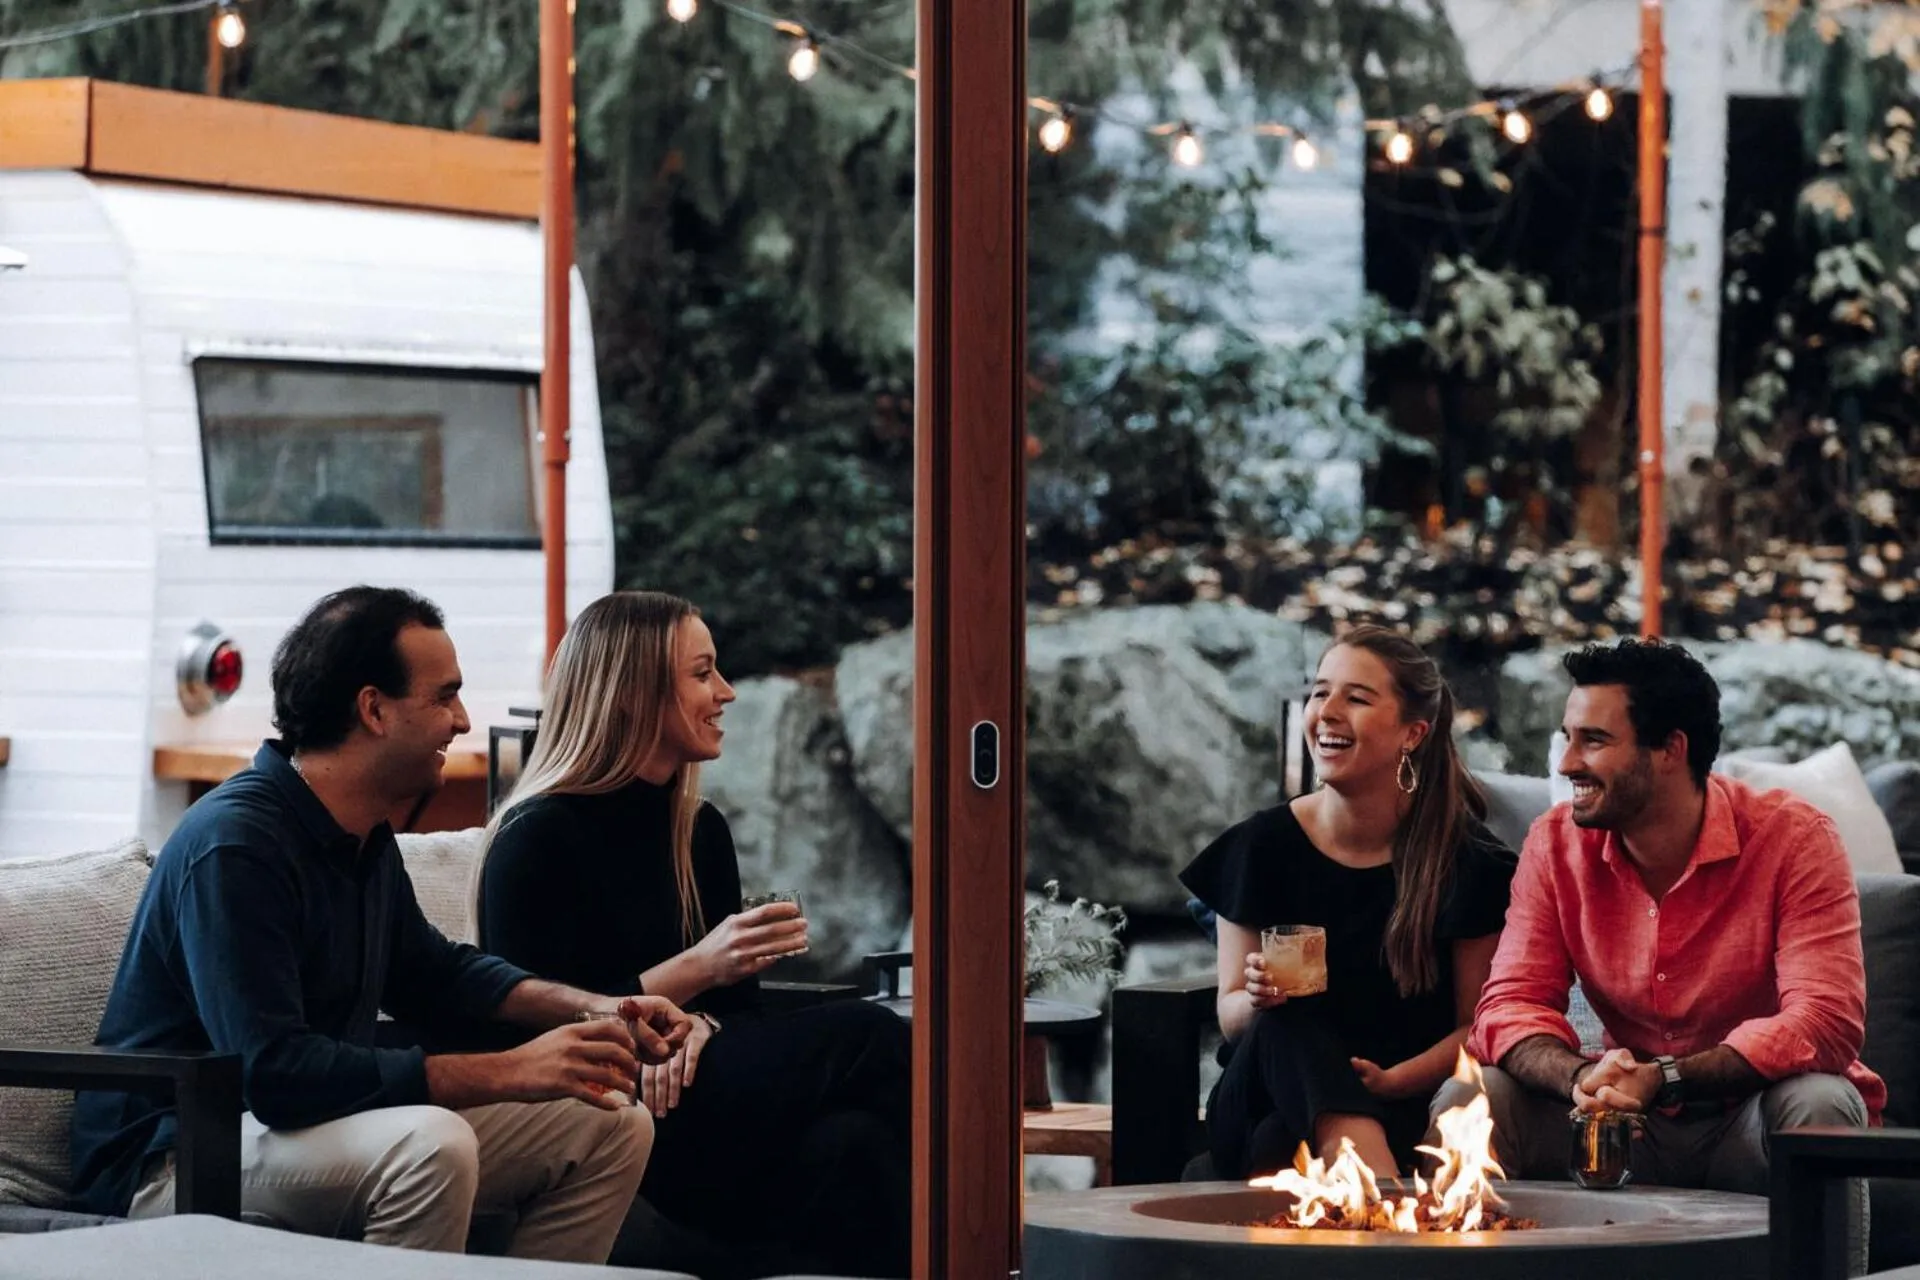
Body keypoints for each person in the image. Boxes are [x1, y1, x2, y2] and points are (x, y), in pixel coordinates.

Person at [70, 586, 695, 1263]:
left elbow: (438, 975)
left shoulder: (362, 838)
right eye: (444, 696)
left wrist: (593, 1007)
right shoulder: (237, 845)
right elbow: (274, 1074)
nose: (461, 721)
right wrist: (510, 1070)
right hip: (177, 1154)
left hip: (289, 1128)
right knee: (431, 1145)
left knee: (608, 1125)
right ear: (373, 709)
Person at [474, 590, 911, 1279]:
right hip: (607, 1104)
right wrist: (699, 969)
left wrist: (706, 1019)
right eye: (702, 673)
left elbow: (737, 1012)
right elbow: (532, 1031)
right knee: (877, 1034)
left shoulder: (697, 831)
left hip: (699, 1089)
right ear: (632, 693)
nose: (726, 692)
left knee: (856, 1142)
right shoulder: (535, 839)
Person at [1443, 637, 1881, 1193]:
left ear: (1671, 749)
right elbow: (1509, 1004)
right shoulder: (1554, 844)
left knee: (1820, 1100)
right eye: (1567, 738)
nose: (1568, 762)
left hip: (1749, 1119)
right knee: (1471, 1094)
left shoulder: (1795, 840)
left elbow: (1825, 1021)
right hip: (1615, 1126)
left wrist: (1666, 1079)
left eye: (1594, 741)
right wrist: (1580, 1075)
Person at [1179, 625, 1516, 1179]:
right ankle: (1377, 1190)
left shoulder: (1467, 865)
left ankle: (1353, 1194)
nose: (1327, 711)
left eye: (1356, 698)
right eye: (1319, 692)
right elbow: (1231, 1014)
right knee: (1284, 1024)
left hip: (1401, 1102)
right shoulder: (1262, 846)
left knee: (1278, 1142)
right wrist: (1258, 997)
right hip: (1264, 1088)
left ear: (1413, 733)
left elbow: (1476, 1027)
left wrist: (1394, 1080)